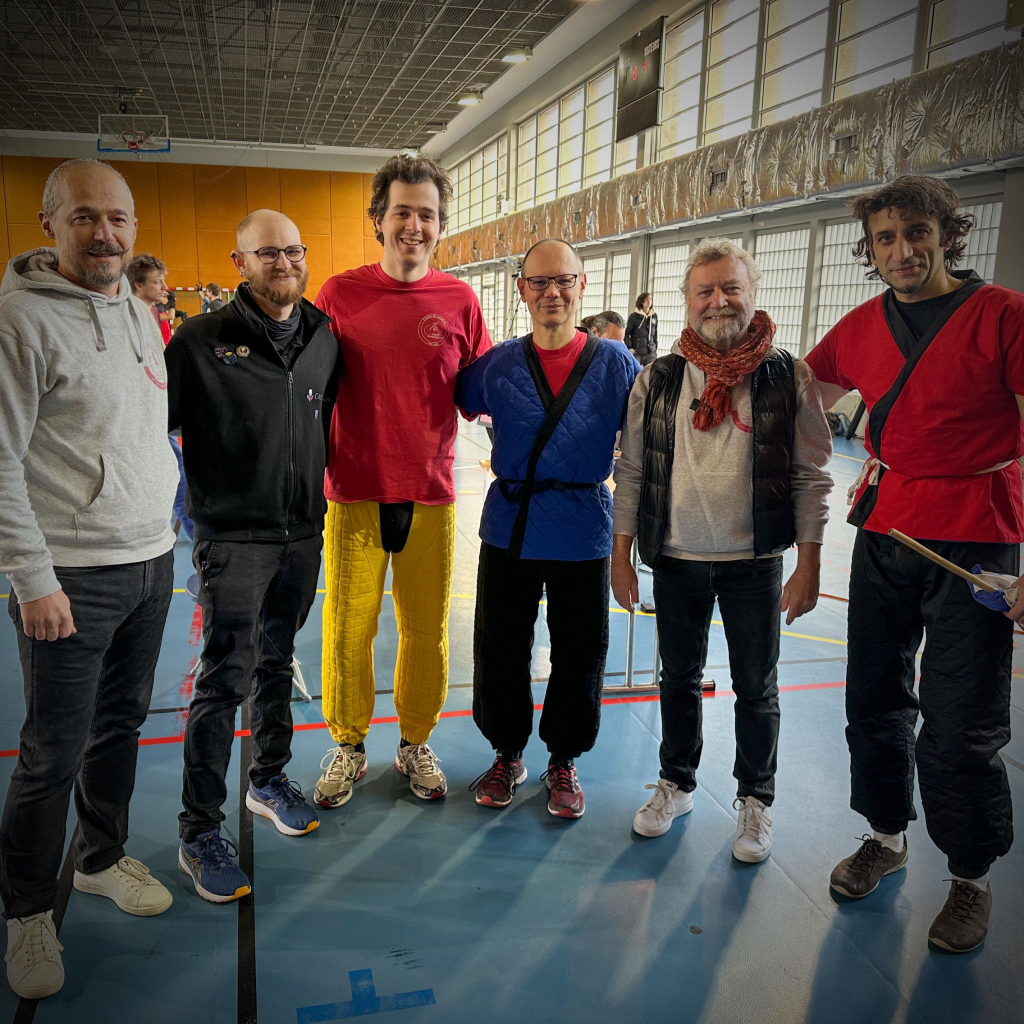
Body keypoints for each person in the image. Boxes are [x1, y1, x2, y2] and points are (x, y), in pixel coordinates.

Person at [804, 174, 1024, 953]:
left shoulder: (1003, 315)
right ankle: (885, 837)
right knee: (874, 696)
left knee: (961, 719)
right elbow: (801, 388)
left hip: (978, 538)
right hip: (887, 530)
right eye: (885, 239)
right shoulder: (862, 325)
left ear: (948, 234)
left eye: (917, 233)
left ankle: (969, 876)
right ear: (870, 250)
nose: (902, 251)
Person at [0, 158, 180, 1000]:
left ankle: (101, 858)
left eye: (117, 218)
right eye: (84, 218)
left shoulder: (140, 312)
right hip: (70, 574)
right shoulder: (19, 321)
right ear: (50, 225)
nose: (104, 234)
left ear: (134, 227)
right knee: (51, 753)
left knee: (120, 728)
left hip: (151, 562)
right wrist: (32, 578)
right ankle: (28, 911)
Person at [612, 238, 832, 862]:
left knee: (756, 687)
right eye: (704, 290)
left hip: (754, 563)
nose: (719, 301)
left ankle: (756, 799)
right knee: (678, 678)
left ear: (752, 293)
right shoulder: (658, 379)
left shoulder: (788, 376)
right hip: (676, 558)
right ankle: (677, 782)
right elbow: (632, 470)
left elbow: (810, 475)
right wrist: (621, 556)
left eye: (731, 288)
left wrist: (809, 563)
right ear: (686, 301)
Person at [166, 210, 340, 902]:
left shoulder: (323, 335)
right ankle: (198, 830)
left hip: (302, 534)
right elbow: (155, 430)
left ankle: (267, 779)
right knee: (223, 679)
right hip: (233, 541)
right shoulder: (200, 341)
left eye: (294, 251)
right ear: (240, 263)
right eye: (269, 253)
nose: (285, 263)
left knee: (276, 661)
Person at [313, 155, 490, 808]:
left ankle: (415, 741)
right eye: (402, 213)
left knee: (425, 631)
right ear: (378, 220)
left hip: (430, 495)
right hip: (354, 491)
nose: (414, 225)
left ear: (440, 225)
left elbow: (484, 391)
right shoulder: (338, 295)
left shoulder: (460, 301)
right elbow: (307, 389)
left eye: (427, 215)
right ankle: (349, 743)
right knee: (347, 629)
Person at [456, 241, 639, 817]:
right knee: (500, 645)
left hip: (583, 526)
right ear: (522, 289)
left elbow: (648, 442)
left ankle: (564, 758)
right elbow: (450, 392)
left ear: (582, 286)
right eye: (539, 282)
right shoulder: (499, 364)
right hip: (510, 525)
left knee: (580, 650)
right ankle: (507, 752)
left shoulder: (617, 364)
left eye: (563, 280)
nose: (551, 292)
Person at [126, 252, 171, 343]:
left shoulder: (153, 310)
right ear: (139, 285)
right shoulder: (127, 316)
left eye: (163, 281)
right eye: (157, 282)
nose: (165, 287)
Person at [625, 293, 658, 365]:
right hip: (637, 351)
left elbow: (655, 334)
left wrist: (655, 347)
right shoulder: (634, 316)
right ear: (641, 301)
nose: (649, 301)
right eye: (646, 299)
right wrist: (630, 347)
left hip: (650, 352)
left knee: (650, 371)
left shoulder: (654, 316)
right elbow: (626, 334)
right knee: (636, 370)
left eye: (650, 299)